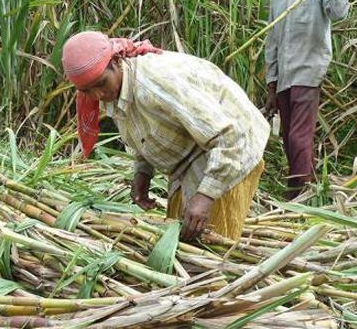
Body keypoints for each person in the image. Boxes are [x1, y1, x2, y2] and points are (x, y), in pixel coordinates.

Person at [62, 31, 269, 241]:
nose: (97, 95)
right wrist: (142, 175)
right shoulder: (113, 90)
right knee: (180, 237)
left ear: (116, 62)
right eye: (86, 90)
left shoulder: (154, 83)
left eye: (100, 83)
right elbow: (144, 129)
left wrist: (205, 195)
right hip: (189, 155)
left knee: (210, 246)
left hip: (232, 148)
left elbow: (227, 135)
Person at [263, 0, 350, 199]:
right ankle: (308, 187)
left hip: (308, 73)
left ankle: (297, 194)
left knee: (298, 137)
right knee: (288, 137)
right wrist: (271, 84)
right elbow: (273, 41)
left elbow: (339, 12)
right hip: (284, 77)